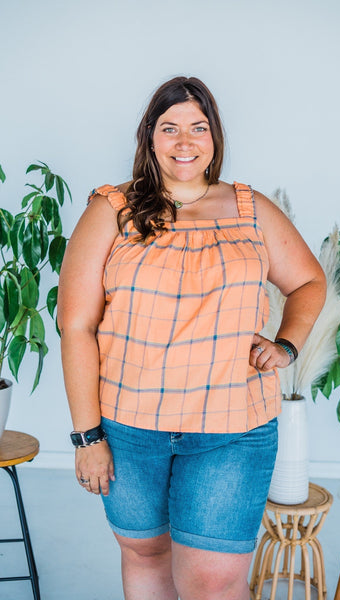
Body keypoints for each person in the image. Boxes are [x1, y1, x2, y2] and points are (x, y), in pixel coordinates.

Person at [58, 76, 326, 600]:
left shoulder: (251, 210)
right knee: (145, 556)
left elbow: (310, 282)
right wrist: (88, 439)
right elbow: (76, 326)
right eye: (170, 127)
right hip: (129, 429)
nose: (185, 141)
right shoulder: (111, 210)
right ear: (149, 137)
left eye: (198, 127)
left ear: (214, 136)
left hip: (232, 429)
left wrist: (287, 345)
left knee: (215, 584)